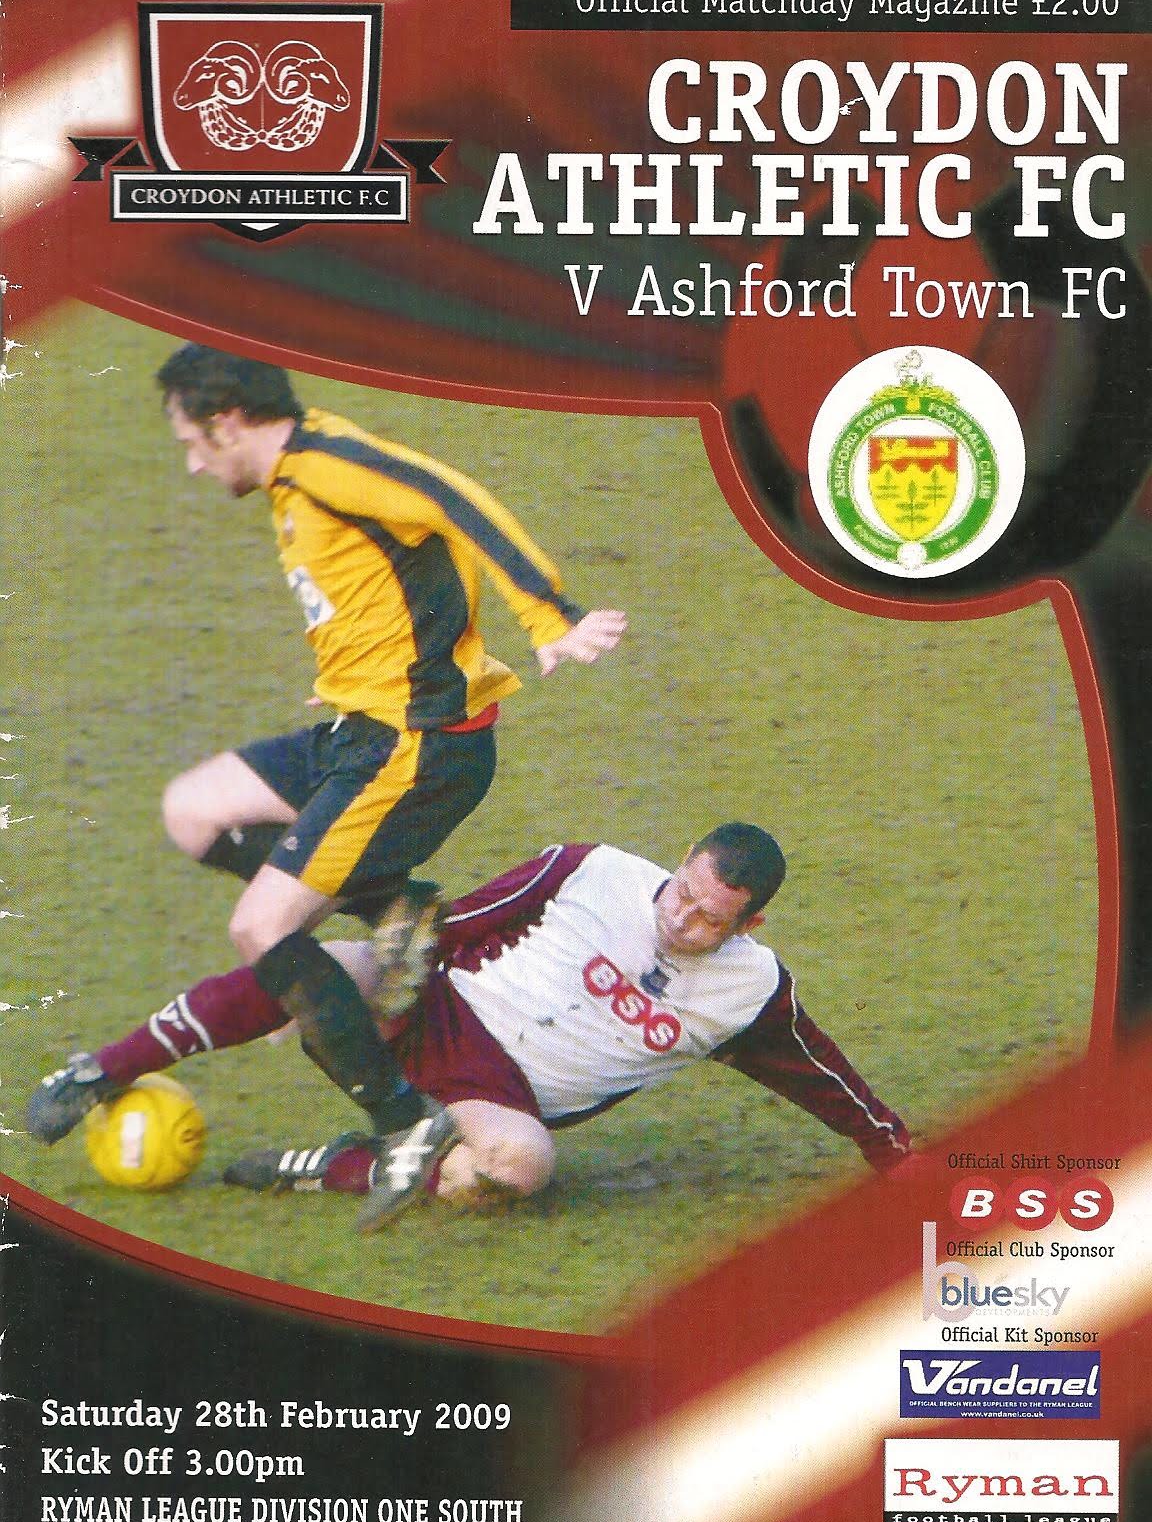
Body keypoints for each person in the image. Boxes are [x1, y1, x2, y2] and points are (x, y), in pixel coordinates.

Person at [28, 345, 625, 1143]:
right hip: (359, 723)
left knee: (263, 929)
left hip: (412, 747)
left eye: (192, 444)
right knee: (193, 811)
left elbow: (452, 500)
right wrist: (350, 669)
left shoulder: (330, 466)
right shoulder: (291, 477)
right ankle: (392, 906)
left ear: (228, 423)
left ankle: (403, 1123)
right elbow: (377, 581)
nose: (193, 466)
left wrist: (551, 615)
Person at [30, 825, 911, 1232]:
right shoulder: (591, 871)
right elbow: (451, 928)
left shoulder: (749, 993)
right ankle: (101, 1069)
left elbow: (823, 1078)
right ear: (681, 861)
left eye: (710, 918)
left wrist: (896, 1156)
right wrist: (333, 990)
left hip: (496, 1099)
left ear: (750, 923)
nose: (682, 918)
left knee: (520, 1169)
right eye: (683, 892)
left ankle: (336, 1166)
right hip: (441, 1007)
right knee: (318, 962)